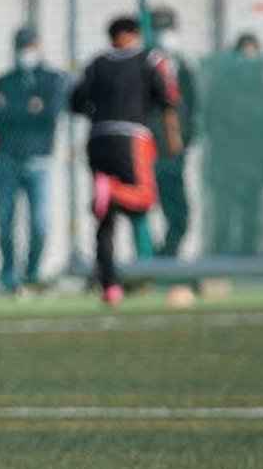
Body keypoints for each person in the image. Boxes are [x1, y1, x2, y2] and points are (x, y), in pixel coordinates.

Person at [71, 16, 183, 305]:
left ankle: (110, 286)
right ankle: (111, 190)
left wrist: (101, 111)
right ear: (133, 34)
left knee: (105, 221)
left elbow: (76, 101)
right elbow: (168, 96)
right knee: (144, 198)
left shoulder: (97, 63)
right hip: (131, 138)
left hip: (97, 139)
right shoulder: (149, 59)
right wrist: (172, 135)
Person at [0, 24, 68, 293]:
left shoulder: (52, 79)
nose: (26, 52)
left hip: (38, 160)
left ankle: (33, 269)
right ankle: (8, 272)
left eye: (30, 46)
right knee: (5, 221)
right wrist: (29, 108)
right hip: (6, 160)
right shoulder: (5, 80)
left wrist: (17, 109)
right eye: (22, 47)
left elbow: (51, 114)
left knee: (39, 222)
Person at [205, 33, 263, 255]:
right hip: (226, 162)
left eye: (253, 56)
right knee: (224, 215)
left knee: (251, 215)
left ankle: (248, 256)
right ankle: (220, 258)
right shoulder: (222, 88)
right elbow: (212, 123)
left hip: (254, 162)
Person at [149, 7, 199, 257]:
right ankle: (150, 262)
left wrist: (186, 139)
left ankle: (164, 259)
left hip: (175, 152)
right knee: (144, 213)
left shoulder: (183, 68)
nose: (165, 35)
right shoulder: (143, 69)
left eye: (168, 28)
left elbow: (192, 107)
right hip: (150, 152)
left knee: (180, 216)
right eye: (159, 29)